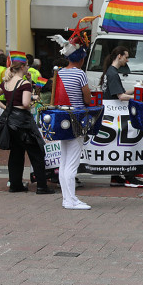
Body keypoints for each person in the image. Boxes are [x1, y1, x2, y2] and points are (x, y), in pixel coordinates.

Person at [0, 51, 54, 195]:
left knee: (16, 154)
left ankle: (15, 184)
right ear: (22, 66)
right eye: (27, 66)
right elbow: (25, 103)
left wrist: (6, 107)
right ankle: (42, 186)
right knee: (36, 152)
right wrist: (32, 100)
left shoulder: (7, 82)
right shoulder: (24, 84)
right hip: (24, 121)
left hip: (11, 121)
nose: (28, 68)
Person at [99, 46, 143, 188]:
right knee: (124, 143)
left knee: (115, 144)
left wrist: (137, 88)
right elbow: (121, 96)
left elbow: (118, 92)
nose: (127, 60)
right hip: (115, 114)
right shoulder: (113, 73)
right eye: (126, 57)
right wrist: (140, 98)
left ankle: (116, 177)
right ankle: (129, 177)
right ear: (119, 56)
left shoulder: (110, 72)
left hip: (110, 113)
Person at [55, 45, 92, 210]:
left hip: (62, 119)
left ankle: (67, 198)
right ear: (81, 59)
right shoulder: (80, 73)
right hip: (77, 119)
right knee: (72, 162)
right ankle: (70, 200)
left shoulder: (60, 72)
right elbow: (87, 99)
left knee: (64, 161)